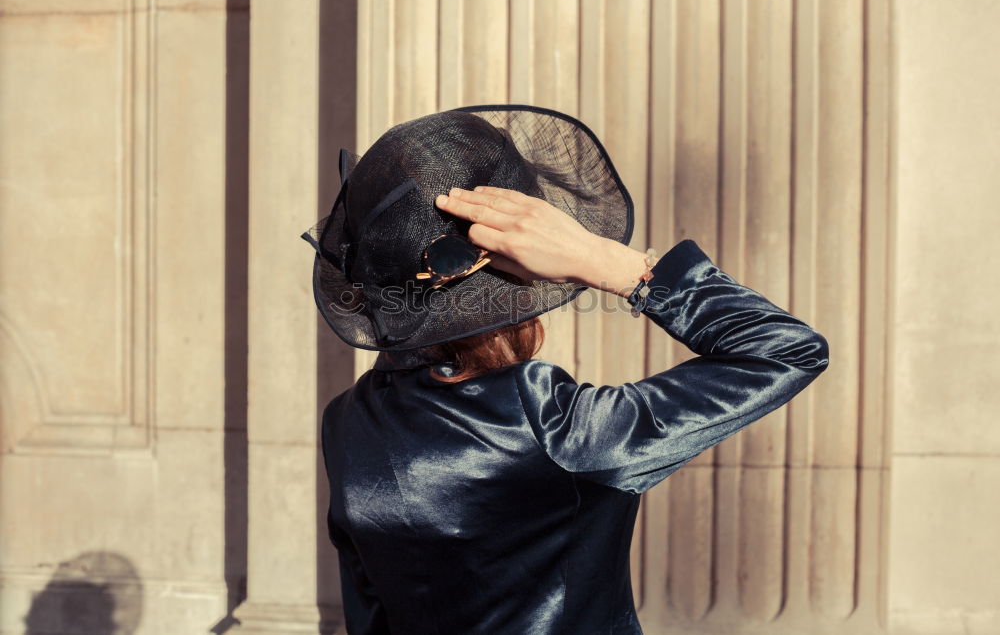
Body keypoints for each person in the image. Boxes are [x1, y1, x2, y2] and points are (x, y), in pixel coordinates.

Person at [302, 105, 829, 634]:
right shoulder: (545, 421)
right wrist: (605, 262)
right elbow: (786, 350)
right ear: (518, 271)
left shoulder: (347, 421)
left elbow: (368, 619)